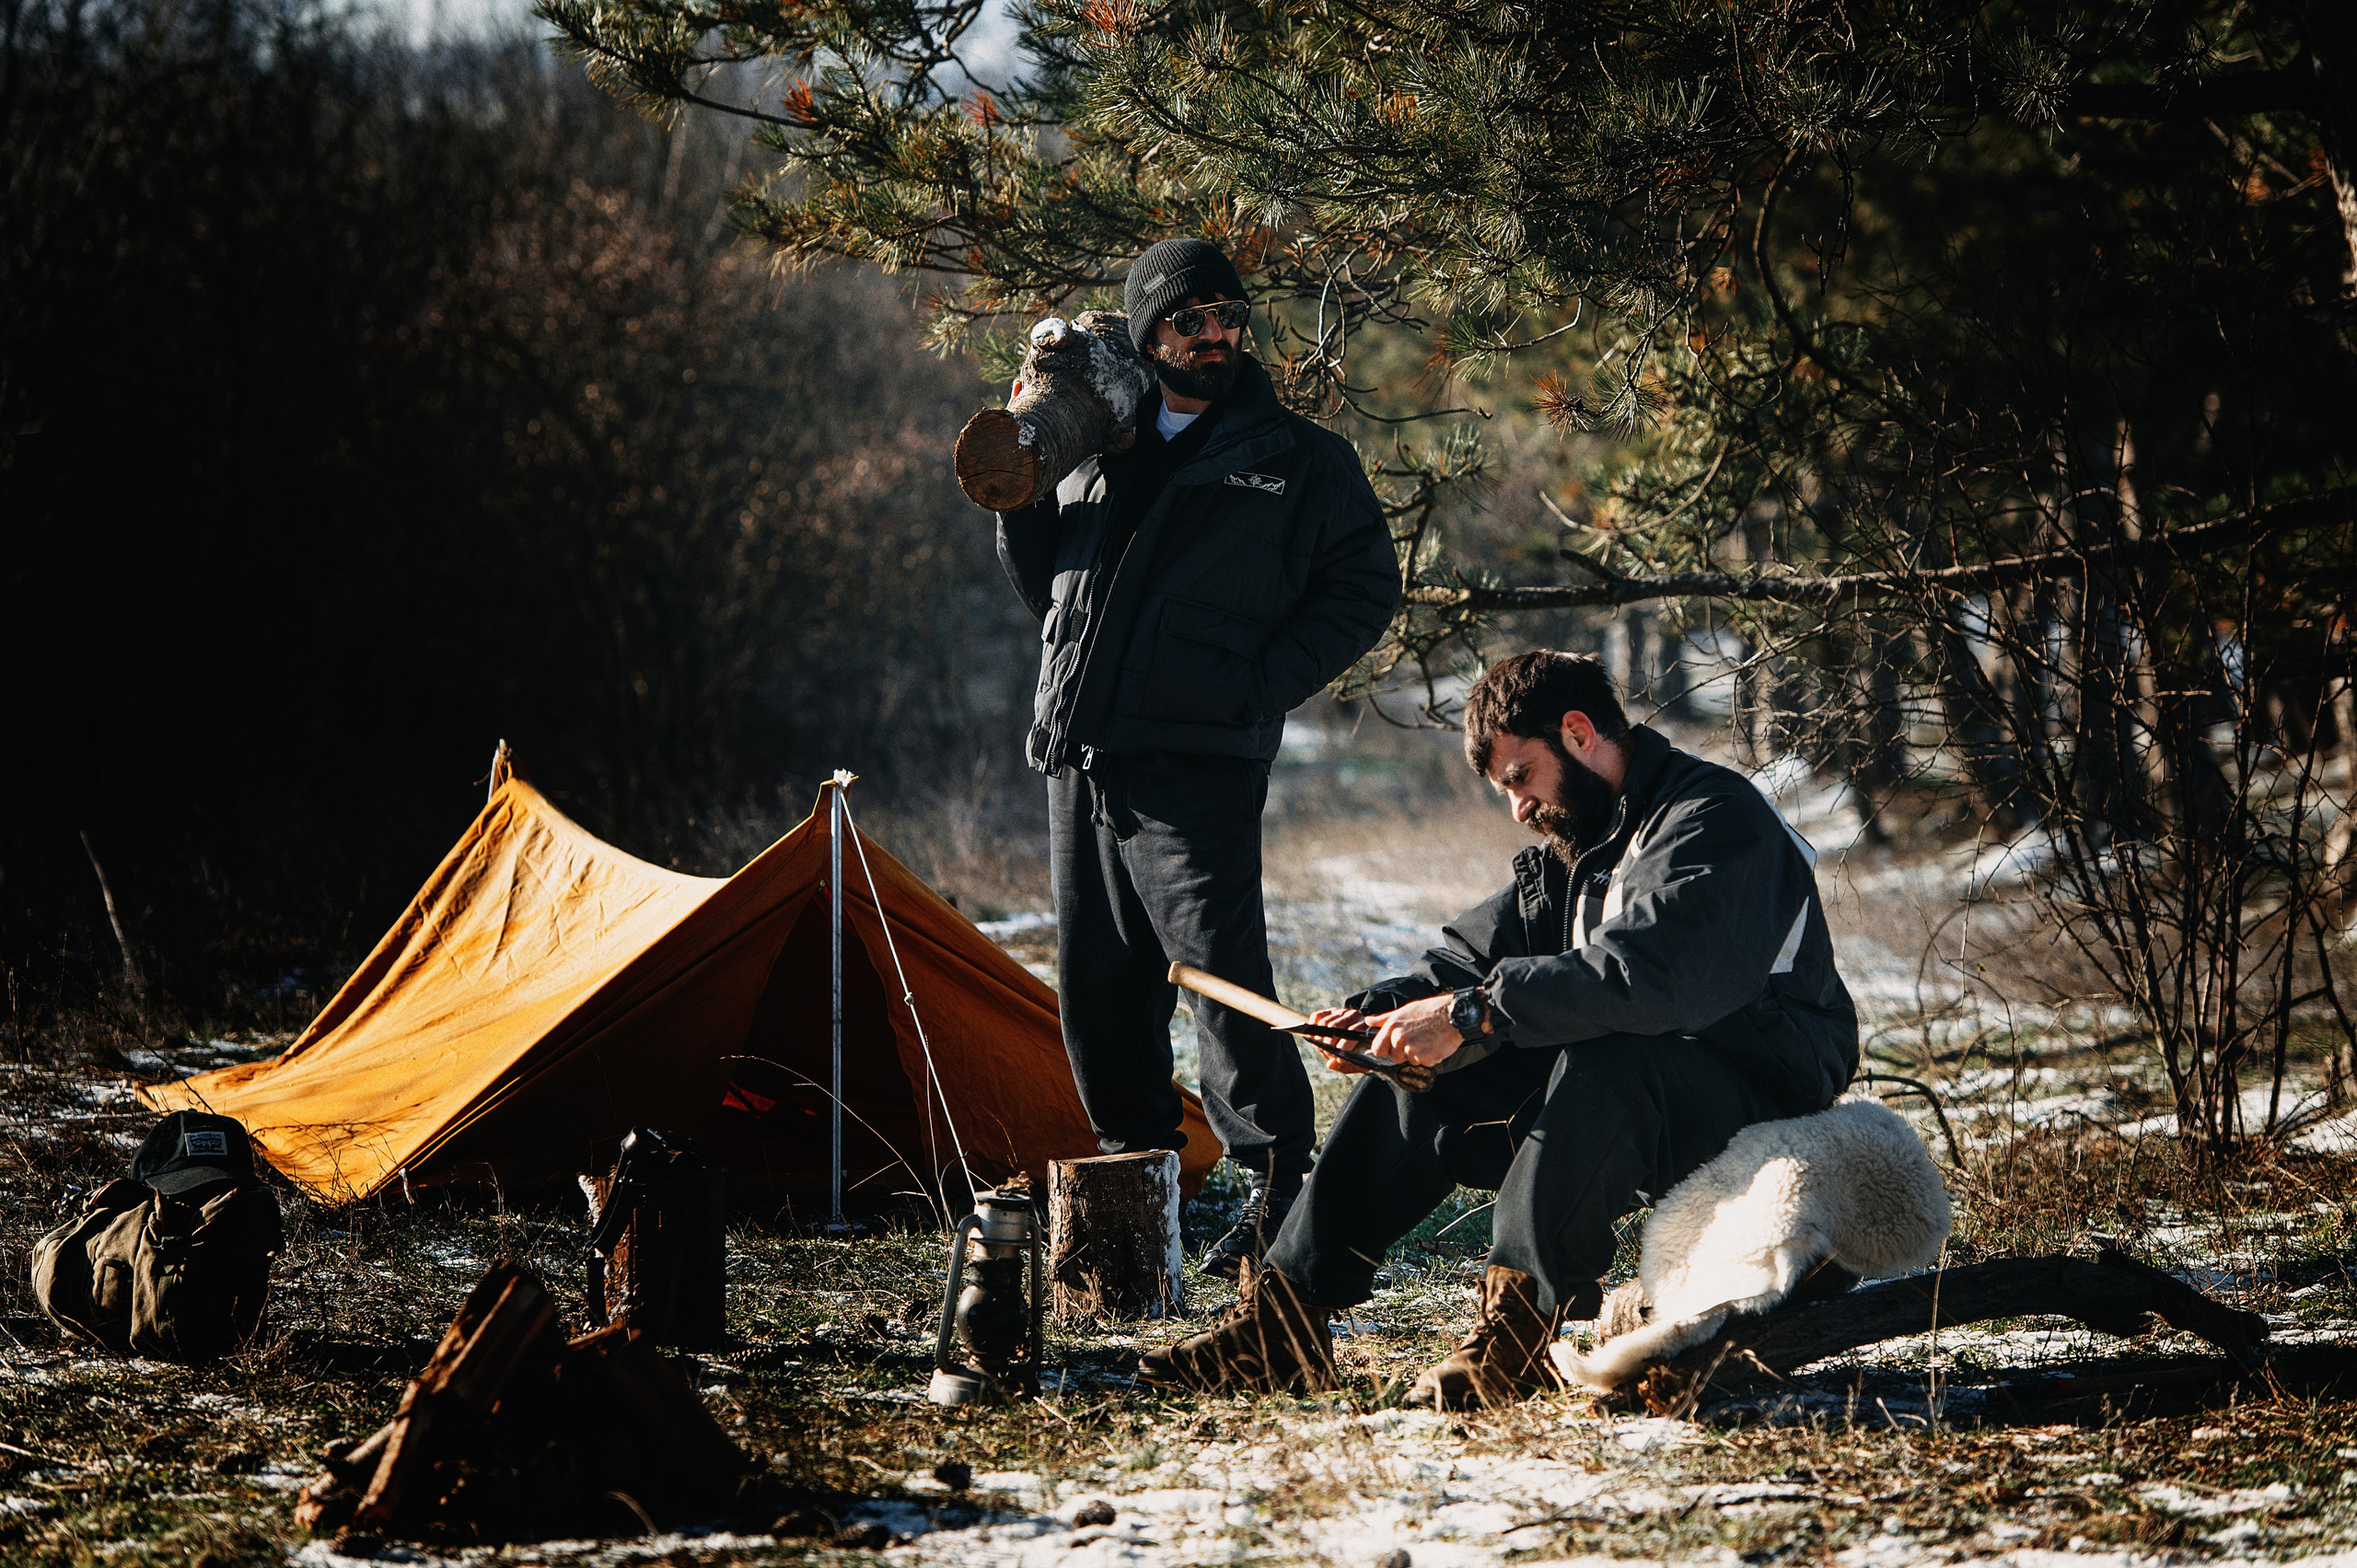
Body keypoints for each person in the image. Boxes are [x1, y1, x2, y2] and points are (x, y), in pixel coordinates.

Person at [1138, 650, 1860, 1406]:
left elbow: (1654, 979)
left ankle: (1518, 1332)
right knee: (1427, 1075)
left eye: (1520, 778)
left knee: (1607, 1058)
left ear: (1578, 733)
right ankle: (1284, 1325)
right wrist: (1382, 1016)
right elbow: (1468, 961)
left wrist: (1469, 1014)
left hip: (1761, 1108)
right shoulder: (1582, 847)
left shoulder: (1715, 820)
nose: (1517, 808)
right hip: (1649, 1099)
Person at [995, 238, 1401, 1275]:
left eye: (1227, 315)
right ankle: (1130, 1198)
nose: (1215, 334)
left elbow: (1363, 590)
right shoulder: (1100, 446)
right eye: (1189, 320)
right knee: (1098, 990)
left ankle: (1281, 1198)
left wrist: (1251, 687)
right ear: (1147, 336)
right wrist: (1029, 482)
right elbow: (1045, 582)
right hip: (1079, 758)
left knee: (1222, 978)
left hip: (1196, 764)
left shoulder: (1295, 458)